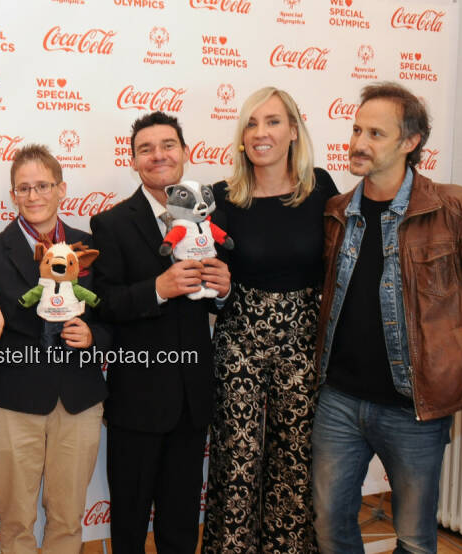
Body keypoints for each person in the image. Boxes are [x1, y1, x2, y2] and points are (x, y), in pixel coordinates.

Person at [311, 82, 462, 553]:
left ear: (410, 143)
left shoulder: (458, 209)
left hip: (415, 410)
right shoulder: (337, 212)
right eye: (355, 129)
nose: (357, 143)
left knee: (414, 538)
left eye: (375, 133)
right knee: (330, 529)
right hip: (338, 402)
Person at [202, 87, 338, 553]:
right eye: (252, 123)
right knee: (235, 459)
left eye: (273, 121)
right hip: (238, 335)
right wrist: (216, 291)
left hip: (302, 339)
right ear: (242, 137)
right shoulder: (222, 197)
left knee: (293, 460)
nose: (261, 132)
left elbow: (338, 264)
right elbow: (208, 284)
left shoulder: (320, 187)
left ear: (294, 131)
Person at [89, 111, 231, 553]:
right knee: (129, 524)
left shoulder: (209, 216)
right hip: (138, 401)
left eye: (168, 145)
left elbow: (221, 296)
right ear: (133, 161)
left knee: (183, 522)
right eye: (146, 149)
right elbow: (105, 303)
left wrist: (225, 293)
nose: (158, 155)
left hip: (193, 399)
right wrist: (157, 289)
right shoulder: (110, 224)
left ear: (185, 153)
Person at [0, 144, 109, 553]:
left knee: (69, 518)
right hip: (12, 402)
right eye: (23, 188)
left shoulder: (90, 246)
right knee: (15, 519)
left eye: (42, 186)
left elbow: (116, 317)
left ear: (61, 189)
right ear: (12, 194)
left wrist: (94, 338)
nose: (33, 196)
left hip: (78, 400)